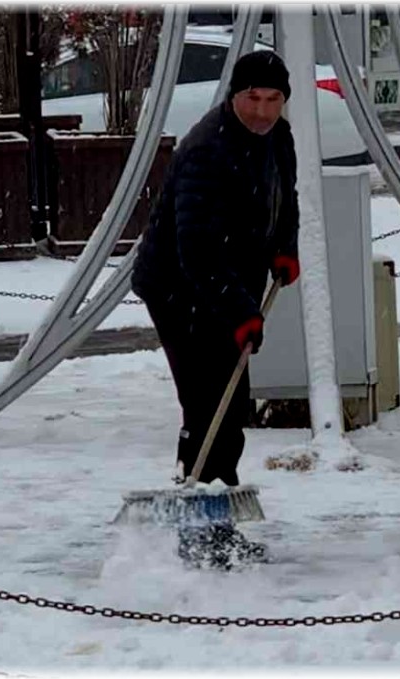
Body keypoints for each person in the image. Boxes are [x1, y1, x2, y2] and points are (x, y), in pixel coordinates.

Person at [132, 50, 301, 487]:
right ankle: (198, 493)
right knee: (208, 400)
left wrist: (285, 247)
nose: (262, 111)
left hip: (230, 280)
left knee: (232, 397)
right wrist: (241, 312)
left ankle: (218, 491)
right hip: (179, 288)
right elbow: (198, 250)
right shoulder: (208, 151)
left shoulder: (278, 137)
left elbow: (285, 199)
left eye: (273, 100)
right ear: (234, 96)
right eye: (253, 98)